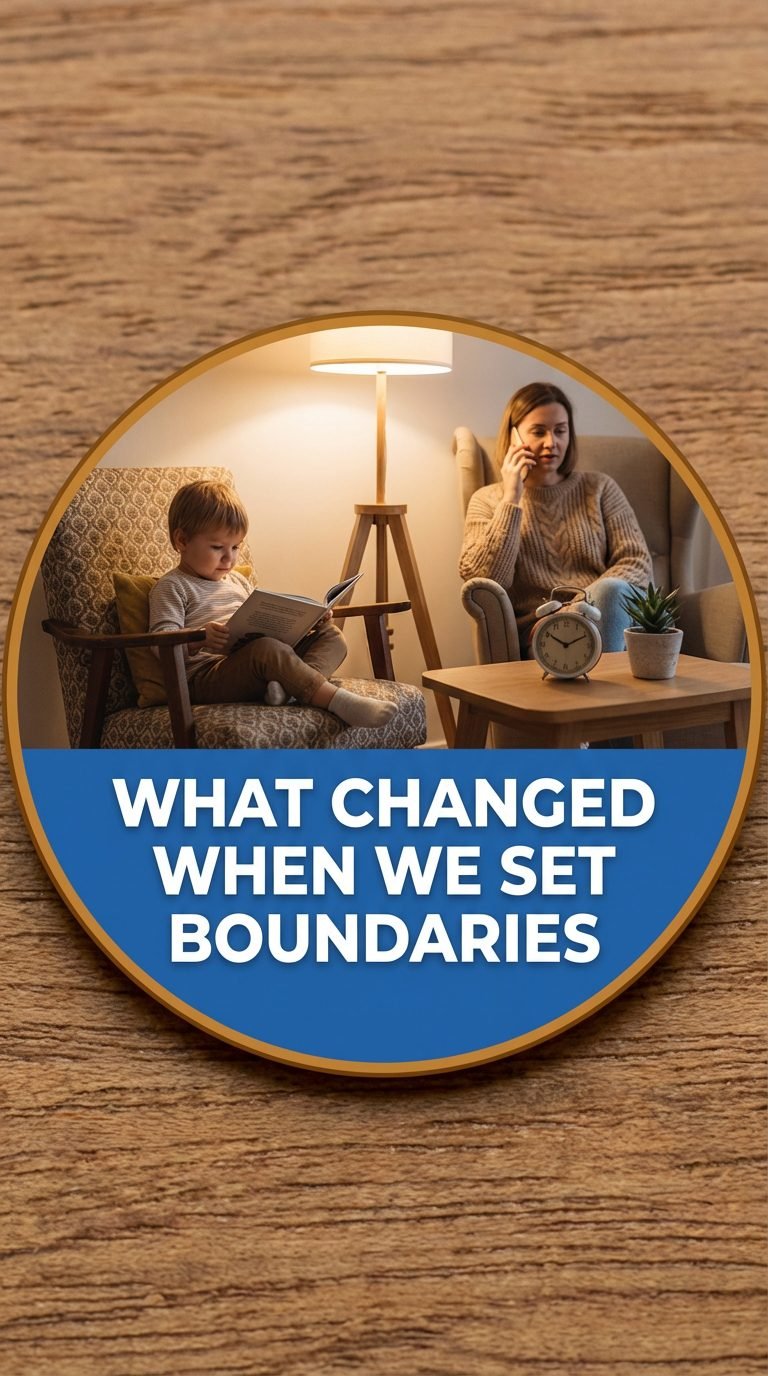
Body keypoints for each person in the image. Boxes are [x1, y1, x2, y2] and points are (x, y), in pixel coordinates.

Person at [148, 480, 397, 727]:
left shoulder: (237, 581)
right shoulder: (172, 586)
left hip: (257, 665)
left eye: (235, 547)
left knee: (332, 636)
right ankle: (336, 701)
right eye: (217, 547)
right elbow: (160, 644)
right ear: (182, 541)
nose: (229, 558)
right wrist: (200, 639)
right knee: (265, 649)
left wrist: (308, 622)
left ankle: (288, 690)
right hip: (208, 678)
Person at [459, 382, 653, 651]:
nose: (551, 443)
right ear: (514, 436)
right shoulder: (487, 500)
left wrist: (579, 605)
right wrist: (512, 497)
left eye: (560, 431)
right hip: (544, 632)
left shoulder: (599, 488)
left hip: (603, 616)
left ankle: (606, 675)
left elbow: (637, 562)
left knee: (611, 590)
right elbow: (485, 579)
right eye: (539, 432)